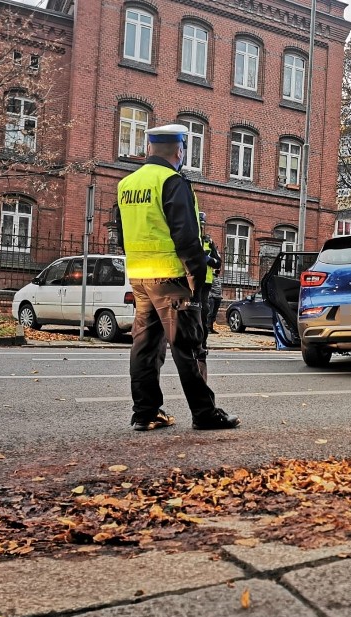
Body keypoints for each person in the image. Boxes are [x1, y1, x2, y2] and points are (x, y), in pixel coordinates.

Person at [115, 123, 239, 431]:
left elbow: (120, 236)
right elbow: (187, 238)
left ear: (149, 149)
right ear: (179, 150)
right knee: (188, 346)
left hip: (140, 279)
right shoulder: (172, 181)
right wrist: (196, 280)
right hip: (171, 279)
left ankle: (145, 413)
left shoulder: (126, 185)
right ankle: (205, 413)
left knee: (144, 347)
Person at [199, 212, 222, 348]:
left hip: (205, 284)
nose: (201, 227)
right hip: (189, 282)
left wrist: (208, 260)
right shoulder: (189, 238)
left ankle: (202, 344)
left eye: (202, 225)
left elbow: (218, 262)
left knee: (204, 312)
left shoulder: (208, 241)